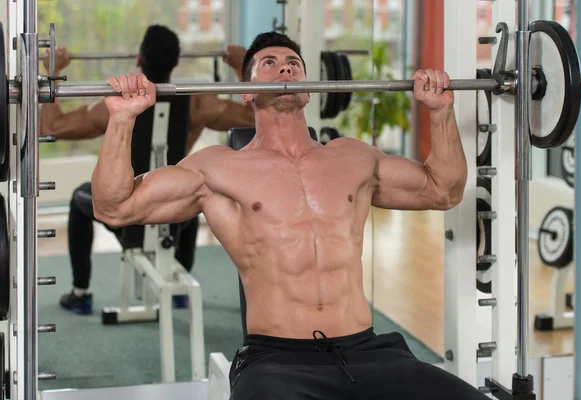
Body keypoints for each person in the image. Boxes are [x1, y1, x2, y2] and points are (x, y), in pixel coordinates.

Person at [91, 31, 488, 399]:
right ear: (246, 92)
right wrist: (123, 119)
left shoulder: (353, 157)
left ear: (309, 89)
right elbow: (114, 205)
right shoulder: (216, 170)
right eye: (269, 62)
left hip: (369, 352)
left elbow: (443, 189)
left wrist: (440, 112)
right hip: (278, 365)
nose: (284, 67)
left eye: (292, 62)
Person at [44, 25, 255, 314]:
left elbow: (52, 126)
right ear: (176, 63)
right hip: (171, 210)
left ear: (139, 61)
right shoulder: (199, 104)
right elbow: (253, 118)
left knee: (81, 199)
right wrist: (241, 67)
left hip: (125, 214)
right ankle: (179, 278)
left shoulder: (111, 106)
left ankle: (81, 292)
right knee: (191, 191)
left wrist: (51, 69)